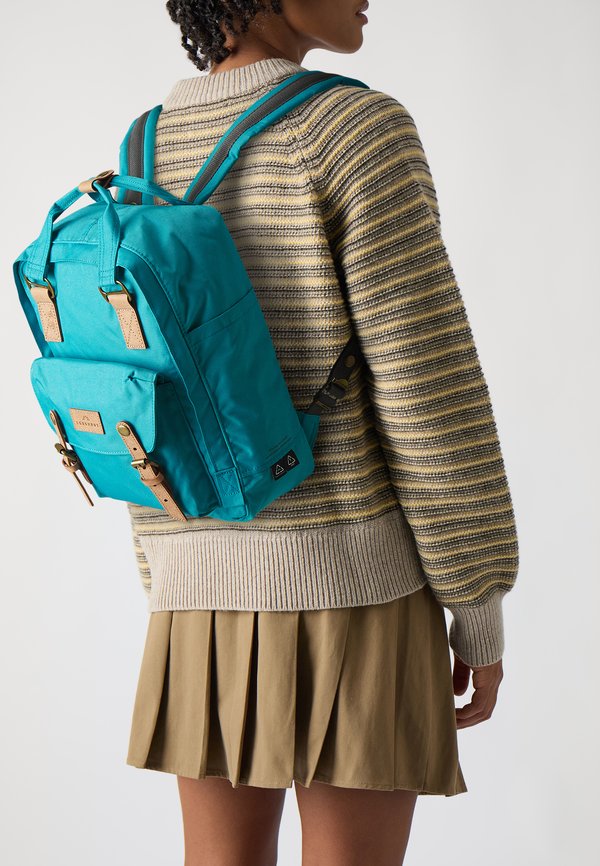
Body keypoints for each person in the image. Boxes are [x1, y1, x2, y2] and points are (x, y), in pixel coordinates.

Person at [125, 1, 520, 863]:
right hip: (354, 591)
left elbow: (144, 389)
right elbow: (429, 389)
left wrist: (170, 571)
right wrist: (477, 601)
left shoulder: (144, 146)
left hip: (193, 595)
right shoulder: (353, 130)